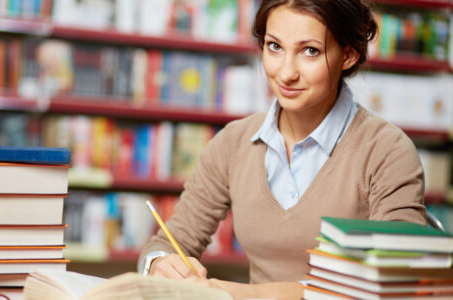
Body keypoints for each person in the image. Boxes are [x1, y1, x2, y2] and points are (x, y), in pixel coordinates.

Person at [138, 0, 427, 298]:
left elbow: (398, 279)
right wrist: (160, 263)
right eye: (274, 46)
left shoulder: (386, 150)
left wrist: (240, 294)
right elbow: (167, 243)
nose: (286, 73)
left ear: (348, 55)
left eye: (310, 51)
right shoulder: (233, 142)